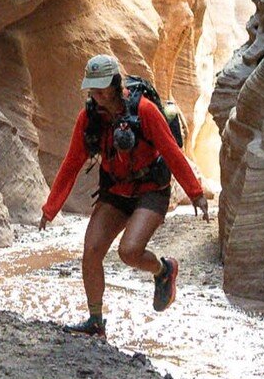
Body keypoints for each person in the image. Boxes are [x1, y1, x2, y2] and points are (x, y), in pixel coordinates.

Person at [38, 52, 209, 338]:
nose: (97, 95)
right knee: (91, 251)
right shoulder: (89, 118)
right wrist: (50, 208)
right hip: (115, 191)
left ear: (116, 84)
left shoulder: (144, 111)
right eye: (93, 89)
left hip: (151, 190)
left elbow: (170, 151)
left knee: (129, 252)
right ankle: (95, 322)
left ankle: (164, 270)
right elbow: (71, 162)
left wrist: (196, 193)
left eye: (102, 88)